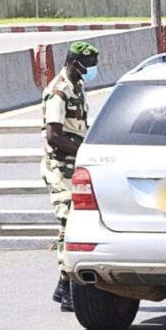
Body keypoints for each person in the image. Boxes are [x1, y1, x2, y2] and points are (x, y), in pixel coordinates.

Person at [41, 41, 99, 312]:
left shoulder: (78, 86)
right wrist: (84, 152)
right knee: (68, 224)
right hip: (59, 168)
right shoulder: (59, 91)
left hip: (73, 167)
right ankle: (68, 290)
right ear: (75, 63)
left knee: (72, 223)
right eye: (89, 65)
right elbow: (54, 136)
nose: (92, 70)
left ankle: (62, 285)